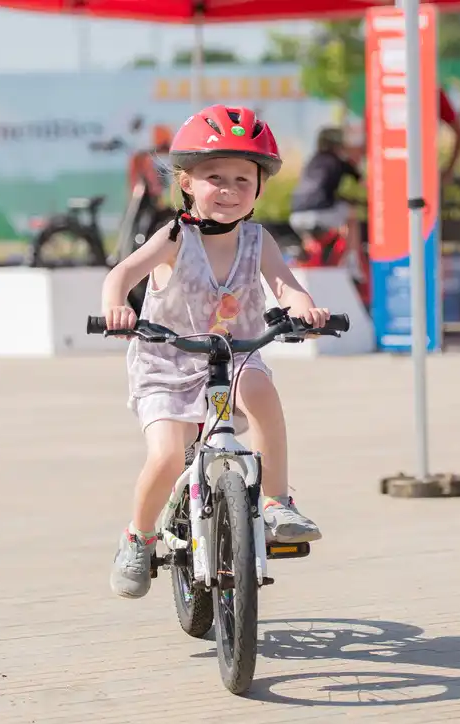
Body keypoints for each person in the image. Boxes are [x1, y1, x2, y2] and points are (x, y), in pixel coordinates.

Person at [100, 104, 331, 600]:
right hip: (168, 361)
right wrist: (117, 308)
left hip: (234, 354)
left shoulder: (257, 239)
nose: (228, 190)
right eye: (214, 177)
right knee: (165, 456)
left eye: (242, 180)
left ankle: (275, 503)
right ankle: (137, 538)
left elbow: (286, 286)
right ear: (186, 181)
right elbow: (120, 276)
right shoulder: (173, 237)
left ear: (259, 187)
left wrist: (304, 308)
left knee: (262, 390)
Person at [288, 126, 364, 265]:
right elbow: (363, 182)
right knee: (351, 216)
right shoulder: (340, 162)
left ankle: (305, 259)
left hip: (295, 216)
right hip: (318, 213)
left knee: (314, 235)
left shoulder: (312, 161)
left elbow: (318, 189)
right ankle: (352, 261)